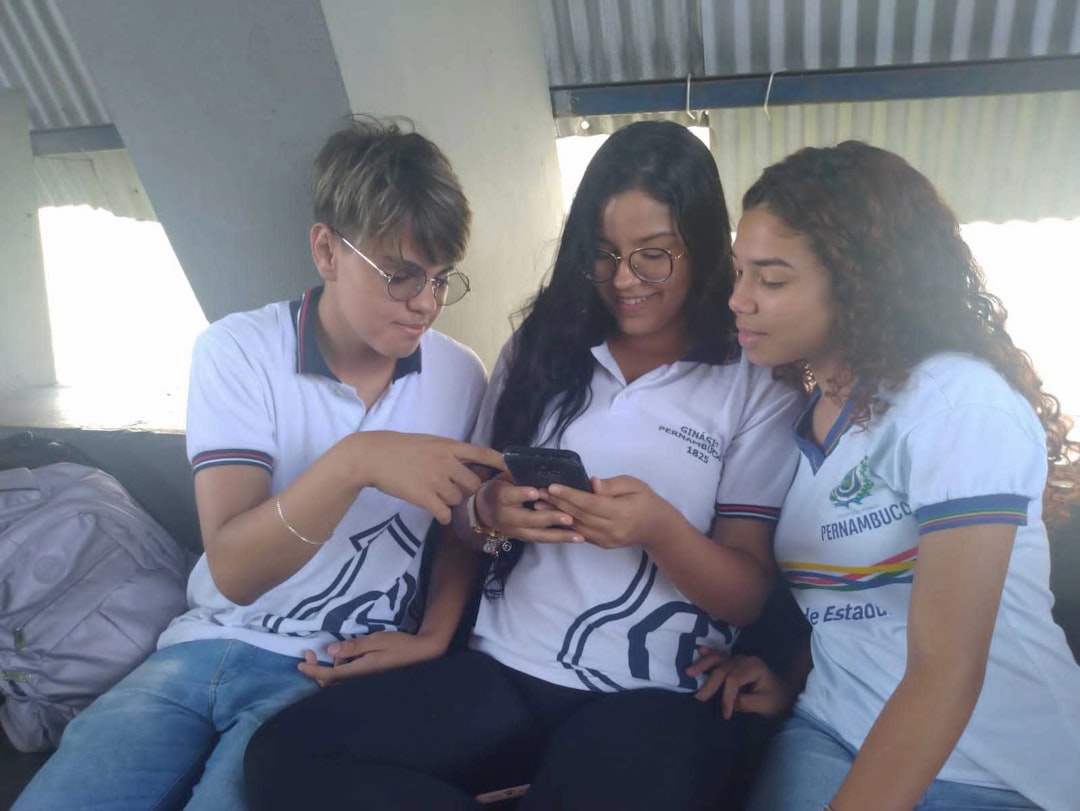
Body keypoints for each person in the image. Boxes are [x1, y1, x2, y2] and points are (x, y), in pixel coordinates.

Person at [243, 120, 804, 810]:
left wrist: (658, 528)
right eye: (603, 254)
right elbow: (466, 523)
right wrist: (491, 513)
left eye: (654, 255)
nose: (624, 279)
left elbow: (746, 594)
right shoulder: (541, 349)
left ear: (704, 249)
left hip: (654, 693)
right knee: (283, 758)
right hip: (502, 668)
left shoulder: (750, 379)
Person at [13, 117, 504, 810]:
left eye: (440, 277)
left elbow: (460, 528)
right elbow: (235, 568)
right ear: (328, 251)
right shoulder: (238, 352)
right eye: (400, 275)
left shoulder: (459, 376)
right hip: (197, 648)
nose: (425, 302)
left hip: (326, 672)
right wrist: (357, 460)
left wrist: (432, 636)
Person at [695, 141, 1080, 811]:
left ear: (858, 281)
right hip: (837, 727)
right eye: (739, 272)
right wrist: (791, 678)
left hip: (996, 763)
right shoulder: (805, 414)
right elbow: (855, 612)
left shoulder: (956, 405)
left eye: (772, 278)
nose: (738, 299)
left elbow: (946, 670)